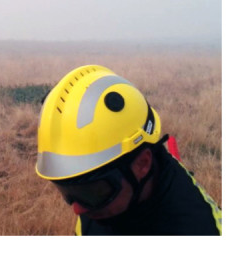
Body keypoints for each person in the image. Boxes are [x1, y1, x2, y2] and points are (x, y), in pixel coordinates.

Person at [36, 64, 221, 235]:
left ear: (143, 164)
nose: (77, 208)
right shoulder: (102, 203)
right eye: (66, 190)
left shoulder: (201, 230)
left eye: (92, 190)